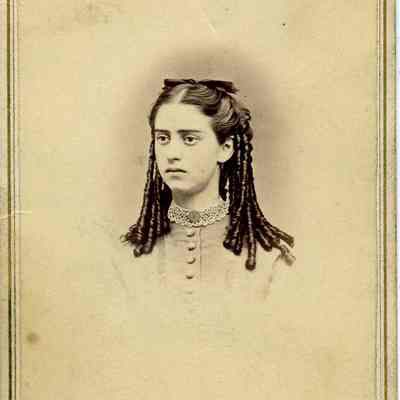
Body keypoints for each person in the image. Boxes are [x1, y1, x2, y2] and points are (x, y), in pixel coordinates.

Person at [121, 78, 295, 301]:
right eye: (163, 138)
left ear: (225, 149)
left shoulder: (271, 261)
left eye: (189, 139)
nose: (172, 153)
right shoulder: (126, 258)